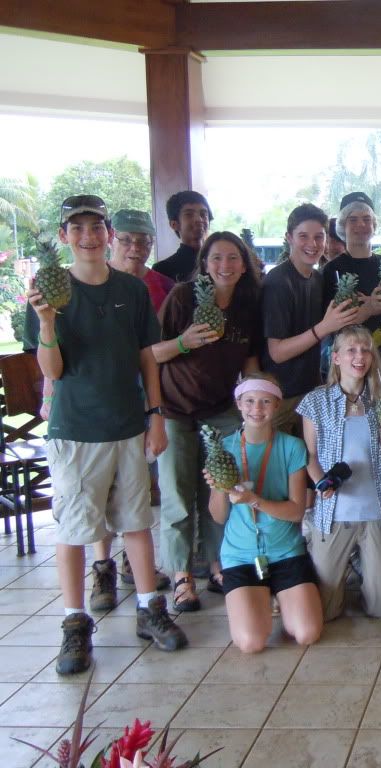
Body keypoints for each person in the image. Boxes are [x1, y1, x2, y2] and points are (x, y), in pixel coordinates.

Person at [24, 194, 187, 675]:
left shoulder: (131, 290)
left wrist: (155, 414)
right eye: (77, 229)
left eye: (96, 227)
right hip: (76, 429)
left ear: (108, 234)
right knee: (74, 529)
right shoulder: (49, 290)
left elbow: (146, 356)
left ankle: (149, 608)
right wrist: (48, 322)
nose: (89, 236)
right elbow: (52, 370)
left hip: (128, 423)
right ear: (64, 236)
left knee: (137, 521)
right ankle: (75, 622)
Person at [154, 231, 263, 611]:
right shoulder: (183, 298)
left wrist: (256, 396)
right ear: (204, 263)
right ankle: (181, 575)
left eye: (233, 258)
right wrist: (183, 342)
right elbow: (150, 353)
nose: (225, 266)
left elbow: (250, 361)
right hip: (175, 409)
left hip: (221, 408)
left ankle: (218, 563)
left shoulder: (247, 305)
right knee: (178, 495)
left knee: (223, 487)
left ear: (244, 264)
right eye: (216, 258)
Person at [86, 208, 173, 611]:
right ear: (111, 239)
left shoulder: (161, 286)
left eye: (143, 241)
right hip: (99, 403)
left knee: (136, 491)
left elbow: (156, 351)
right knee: (100, 492)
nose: (135, 247)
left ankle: (131, 564)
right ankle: (101, 567)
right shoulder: (90, 282)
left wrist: (155, 410)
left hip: (146, 399)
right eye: (127, 239)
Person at [205, 374, 322, 653]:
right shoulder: (223, 449)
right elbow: (218, 517)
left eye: (265, 401)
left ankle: (278, 596)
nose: (257, 408)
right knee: (251, 642)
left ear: (277, 405)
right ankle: (261, 598)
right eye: (249, 401)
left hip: (286, 551)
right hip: (240, 555)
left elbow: (296, 511)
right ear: (238, 404)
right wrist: (220, 487)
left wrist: (254, 500)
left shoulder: (292, 447)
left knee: (307, 633)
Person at [298, 325, 381, 621]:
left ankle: (360, 566)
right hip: (334, 512)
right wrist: (321, 483)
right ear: (336, 358)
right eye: (351, 350)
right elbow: (310, 455)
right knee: (326, 612)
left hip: (374, 509)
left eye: (365, 350)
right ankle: (345, 562)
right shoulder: (316, 401)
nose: (360, 356)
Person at [262, 203, 359, 434]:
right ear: (289, 238)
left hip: (311, 390)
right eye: (303, 236)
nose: (312, 244)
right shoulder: (278, 282)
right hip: (281, 396)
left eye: (319, 237)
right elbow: (277, 352)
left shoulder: (317, 278)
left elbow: (333, 324)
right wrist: (323, 328)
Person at [321, 193, 381, 372]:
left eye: (367, 219)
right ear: (342, 225)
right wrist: (369, 308)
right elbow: (331, 326)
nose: (361, 225)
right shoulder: (331, 270)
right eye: (353, 220)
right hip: (350, 365)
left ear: (374, 225)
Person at [152, 191, 213, 282]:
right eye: (189, 215)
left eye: (203, 214)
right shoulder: (162, 270)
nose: (199, 219)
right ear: (174, 224)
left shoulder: (220, 262)